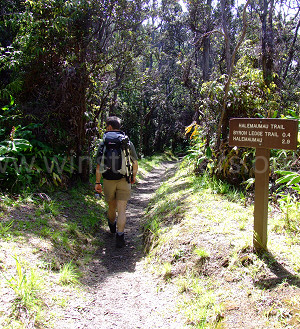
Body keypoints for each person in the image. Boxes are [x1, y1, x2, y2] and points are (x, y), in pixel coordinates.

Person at [95, 116, 138, 248]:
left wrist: (97, 183)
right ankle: (120, 236)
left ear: (109, 127)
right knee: (122, 209)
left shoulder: (103, 142)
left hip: (108, 180)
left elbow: (98, 166)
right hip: (124, 179)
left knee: (111, 206)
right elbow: (135, 163)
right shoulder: (126, 142)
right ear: (119, 127)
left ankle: (112, 226)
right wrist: (133, 176)